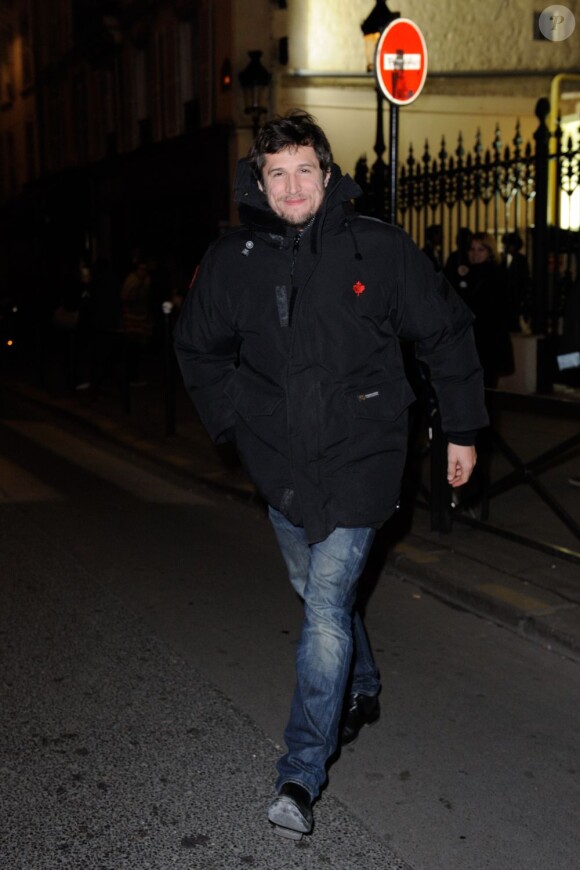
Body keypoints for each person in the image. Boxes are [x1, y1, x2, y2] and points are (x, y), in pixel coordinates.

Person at [174, 110, 488, 840]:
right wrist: (235, 427)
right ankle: (363, 686)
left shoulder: (373, 249)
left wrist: (462, 429)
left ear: (326, 173)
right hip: (281, 466)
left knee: (321, 612)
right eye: (275, 173)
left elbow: (446, 330)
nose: (290, 185)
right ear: (260, 181)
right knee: (316, 589)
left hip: (364, 458)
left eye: (303, 170)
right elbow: (197, 346)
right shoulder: (235, 258)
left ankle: (300, 773)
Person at [457, 232, 514, 389]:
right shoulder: (465, 273)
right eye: (472, 249)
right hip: (470, 340)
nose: (475, 254)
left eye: (480, 249)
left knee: (485, 388)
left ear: (489, 252)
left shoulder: (495, 275)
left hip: (488, 341)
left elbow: (498, 310)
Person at [500, 231, 531, 332]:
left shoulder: (521, 260)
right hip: (504, 294)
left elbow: (524, 278)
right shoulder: (502, 258)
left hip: (516, 294)